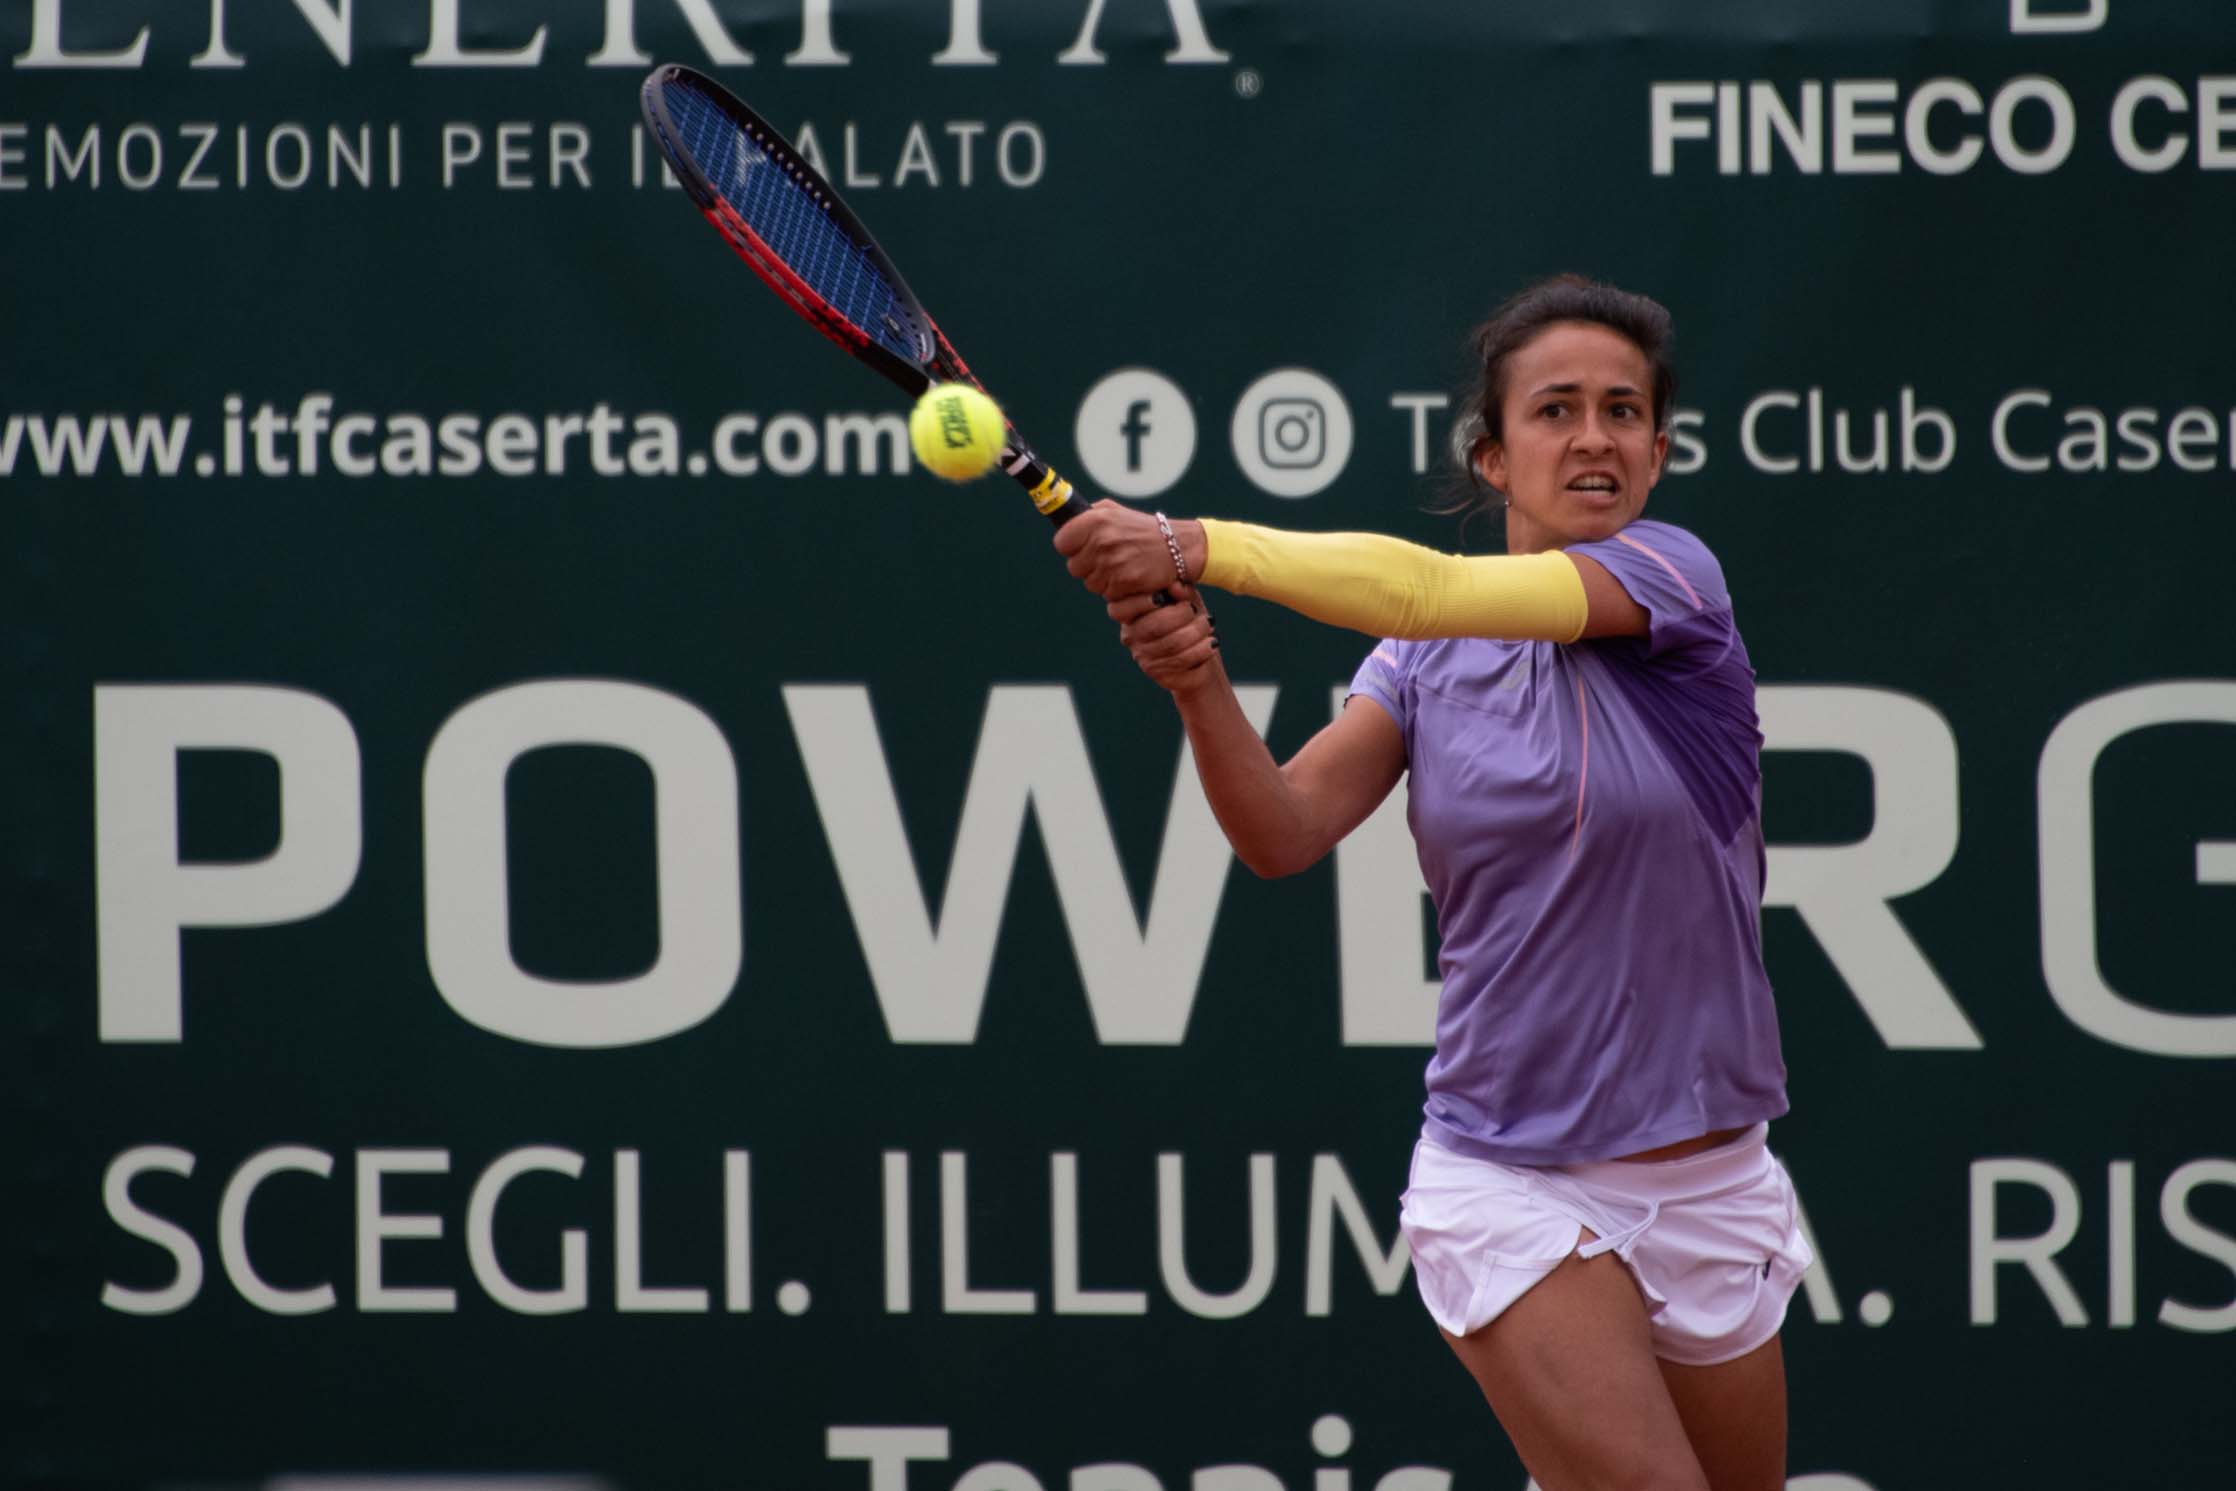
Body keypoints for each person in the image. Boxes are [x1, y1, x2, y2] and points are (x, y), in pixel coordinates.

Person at [1053, 275, 1810, 1491]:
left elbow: (1436, 587)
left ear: (1658, 454)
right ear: (1495, 457)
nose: (1593, 437)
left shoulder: (1680, 585)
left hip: (1716, 1177)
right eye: (1554, 410)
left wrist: (1194, 544)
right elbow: (1284, 831)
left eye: (1622, 413)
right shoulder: (1415, 667)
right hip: (1508, 1176)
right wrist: (1198, 686)